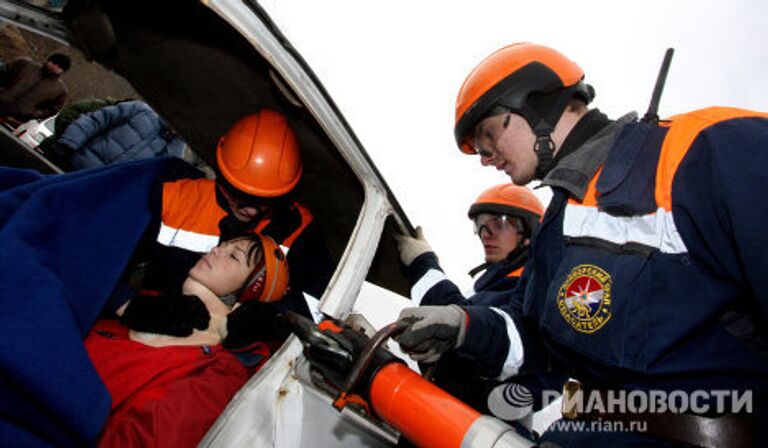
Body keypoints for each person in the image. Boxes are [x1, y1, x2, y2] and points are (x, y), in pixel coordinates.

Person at [394, 42, 768, 446]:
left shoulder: (703, 149)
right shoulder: (555, 232)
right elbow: (535, 347)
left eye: (487, 136)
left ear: (536, 104)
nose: (486, 158)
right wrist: (465, 327)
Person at [86, 233, 289, 448]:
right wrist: (123, 302)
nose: (216, 250)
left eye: (233, 257)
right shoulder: (153, 306)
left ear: (249, 293)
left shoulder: (214, 374)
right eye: (223, 245)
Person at [133, 109, 334, 324]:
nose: (254, 211)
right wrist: (129, 306)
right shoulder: (173, 200)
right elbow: (104, 259)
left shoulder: (298, 229)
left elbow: (327, 300)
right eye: (242, 197)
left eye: (266, 201)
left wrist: (272, 317)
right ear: (222, 178)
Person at [395, 183, 544, 422]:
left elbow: (471, 328)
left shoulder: (530, 294)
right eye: (481, 225)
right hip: (446, 418)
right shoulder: (488, 287)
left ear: (529, 233)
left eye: (499, 223)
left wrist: (423, 263)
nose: (486, 233)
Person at [42, 98, 186, 171]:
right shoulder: (140, 110)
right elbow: (96, 120)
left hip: (95, 189)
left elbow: (152, 181)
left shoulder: (175, 152)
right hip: (72, 164)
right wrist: (68, 143)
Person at [0, 52, 71, 125]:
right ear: (48, 60)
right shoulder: (25, 65)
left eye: (59, 67)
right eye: (53, 63)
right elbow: (3, 72)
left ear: (63, 71)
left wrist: (33, 114)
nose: (54, 67)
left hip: (13, 120)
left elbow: (53, 110)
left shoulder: (60, 90)